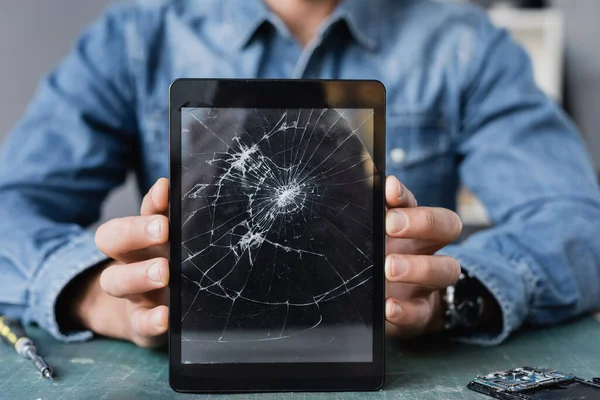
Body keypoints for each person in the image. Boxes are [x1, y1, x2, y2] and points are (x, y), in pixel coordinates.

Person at [0, 0, 599, 349]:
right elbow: (11, 203)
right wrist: (89, 293)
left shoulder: (466, 46)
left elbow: (577, 222)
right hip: (200, 351)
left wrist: (451, 294)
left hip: (379, 358)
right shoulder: (133, 37)